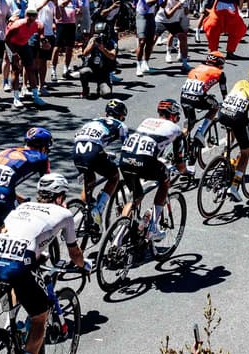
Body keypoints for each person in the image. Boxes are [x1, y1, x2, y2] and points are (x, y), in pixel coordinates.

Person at [0, 173, 82, 354]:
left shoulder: (24, 206)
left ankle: (11, 327)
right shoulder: (64, 213)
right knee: (40, 318)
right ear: (59, 196)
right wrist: (83, 265)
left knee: (21, 282)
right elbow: (74, 251)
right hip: (19, 264)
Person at [118, 101, 186, 248]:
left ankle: (118, 236)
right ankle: (153, 227)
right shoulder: (176, 129)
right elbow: (179, 161)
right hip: (144, 161)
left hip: (124, 159)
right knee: (165, 181)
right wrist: (184, 171)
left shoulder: (147, 121)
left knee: (136, 196)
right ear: (173, 115)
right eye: (177, 115)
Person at [0, 127, 54, 240]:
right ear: (44, 146)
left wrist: (20, 199)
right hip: (1, 200)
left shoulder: (5, 152)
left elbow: (1, 184)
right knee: (25, 230)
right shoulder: (42, 158)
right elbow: (47, 187)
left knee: (0, 233)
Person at [71, 98, 130, 219]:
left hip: (77, 151)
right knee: (114, 176)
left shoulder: (92, 121)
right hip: (93, 151)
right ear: (120, 116)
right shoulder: (120, 125)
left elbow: (87, 140)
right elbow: (127, 148)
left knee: (90, 180)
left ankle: (84, 217)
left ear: (106, 113)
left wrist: (104, 153)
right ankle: (99, 209)